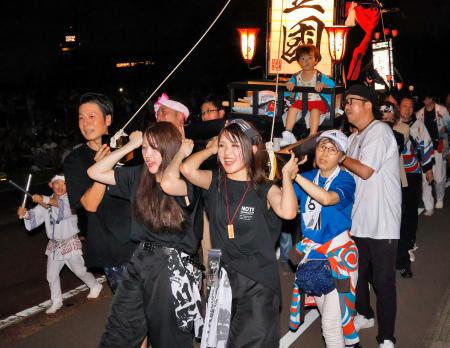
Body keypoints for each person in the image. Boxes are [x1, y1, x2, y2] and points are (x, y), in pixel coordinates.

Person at [174, 119, 299, 347]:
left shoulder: (264, 187)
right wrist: (211, 148)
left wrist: (288, 177)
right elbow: (186, 169)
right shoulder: (214, 181)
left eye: (235, 146)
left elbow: (289, 212)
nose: (227, 153)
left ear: (253, 149)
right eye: (223, 146)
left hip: (257, 282)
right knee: (221, 342)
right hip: (221, 276)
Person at [88, 122, 204, 348]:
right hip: (141, 259)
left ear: (169, 147)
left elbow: (169, 183)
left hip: (173, 268)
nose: (147, 154)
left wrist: (180, 154)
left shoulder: (187, 179)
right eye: (145, 148)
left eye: (154, 148)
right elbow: (94, 172)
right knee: (119, 330)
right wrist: (131, 144)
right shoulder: (139, 176)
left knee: (168, 339)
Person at [341, 84, 401, 348]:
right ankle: (364, 314)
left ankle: (387, 337)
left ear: (367, 104)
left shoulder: (380, 131)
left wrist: (339, 157)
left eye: (350, 101)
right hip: (358, 221)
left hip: (382, 222)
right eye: (345, 103)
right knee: (357, 274)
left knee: (383, 281)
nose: (346, 107)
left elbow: (364, 171)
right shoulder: (353, 138)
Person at [288, 130, 359, 347]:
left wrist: (296, 176)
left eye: (332, 149)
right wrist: (285, 172)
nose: (325, 153)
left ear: (341, 157)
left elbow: (327, 199)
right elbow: (286, 205)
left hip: (340, 258)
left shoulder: (346, 180)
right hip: (313, 258)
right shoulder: (308, 177)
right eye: (321, 147)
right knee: (328, 315)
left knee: (329, 325)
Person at [63, 93, 136, 293]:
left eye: (91, 116)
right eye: (81, 118)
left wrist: (137, 143)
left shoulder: (125, 147)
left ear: (108, 119)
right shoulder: (74, 160)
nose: (85, 123)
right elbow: (89, 204)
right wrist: (99, 169)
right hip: (114, 248)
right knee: (130, 314)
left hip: (144, 240)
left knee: (160, 309)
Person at [17, 174, 103, 314]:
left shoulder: (72, 199)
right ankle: (56, 301)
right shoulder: (46, 202)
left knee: (79, 270)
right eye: (57, 183)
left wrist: (44, 199)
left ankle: (95, 285)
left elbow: (62, 208)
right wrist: (25, 214)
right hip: (54, 245)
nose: (60, 186)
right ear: (51, 185)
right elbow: (35, 218)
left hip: (70, 241)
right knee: (51, 276)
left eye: (64, 183)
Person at [398, 96, 434, 271]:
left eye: (410, 107)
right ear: (398, 107)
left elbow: (426, 146)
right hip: (394, 175)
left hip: (412, 174)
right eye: (404, 106)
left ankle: (409, 243)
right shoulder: (390, 125)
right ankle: (398, 245)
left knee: (411, 210)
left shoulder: (418, 126)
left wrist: (428, 170)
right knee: (398, 211)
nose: (407, 109)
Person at [281, 43, 336, 146]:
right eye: (302, 58)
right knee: (292, 109)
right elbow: (288, 89)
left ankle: (312, 135)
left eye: (310, 58)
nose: (306, 61)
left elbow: (332, 85)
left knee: (315, 111)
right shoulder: (296, 76)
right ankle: (288, 133)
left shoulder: (320, 76)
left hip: (317, 102)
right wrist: (289, 85)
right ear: (298, 62)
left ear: (316, 60)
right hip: (301, 101)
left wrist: (323, 84)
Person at [416, 92, 449, 211]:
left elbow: (449, 126)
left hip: (439, 147)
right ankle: (428, 205)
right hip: (425, 149)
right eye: (423, 99)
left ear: (431, 97)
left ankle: (440, 198)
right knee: (426, 178)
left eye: (427, 98)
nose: (425, 100)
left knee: (439, 176)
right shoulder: (419, 114)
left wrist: (445, 128)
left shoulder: (442, 110)